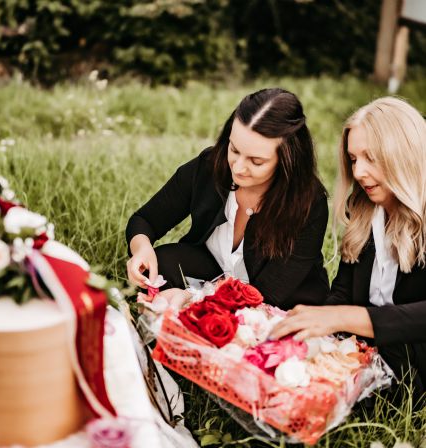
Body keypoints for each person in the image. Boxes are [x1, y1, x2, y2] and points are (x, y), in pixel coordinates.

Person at [270, 96, 426, 397]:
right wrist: (314, 326)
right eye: (354, 159)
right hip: (367, 351)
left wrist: (343, 319)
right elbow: (343, 291)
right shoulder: (364, 207)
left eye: (372, 158)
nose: (358, 173)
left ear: (404, 154)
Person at [126, 88, 329, 310]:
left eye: (256, 161)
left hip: (279, 305)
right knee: (160, 262)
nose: (239, 167)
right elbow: (145, 220)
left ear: (287, 161)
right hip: (215, 272)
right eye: (234, 149)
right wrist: (141, 248)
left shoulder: (309, 202)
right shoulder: (209, 165)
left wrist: (191, 297)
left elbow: (269, 296)